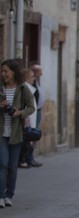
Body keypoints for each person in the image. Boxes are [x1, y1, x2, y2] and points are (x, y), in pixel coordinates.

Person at [0, 59, 36, 209]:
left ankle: (9, 195)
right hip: (2, 133)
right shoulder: (0, 88)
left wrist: (19, 113)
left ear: (13, 72)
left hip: (16, 132)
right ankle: (1, 196)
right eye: (2, 71)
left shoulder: (22, 89)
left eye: (6, 71)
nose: (3, 74)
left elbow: (31, 107)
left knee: (13, 167)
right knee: (3, 164)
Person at [18, 68, 41, 169]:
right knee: (26, 140)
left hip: (31, 118)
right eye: (32, 77)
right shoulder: (25, 89)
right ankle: (25, 160)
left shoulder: (30, 88)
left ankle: (29, 159)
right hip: (27, 119)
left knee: (29, 140)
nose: (34, 78)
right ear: (26, 79)